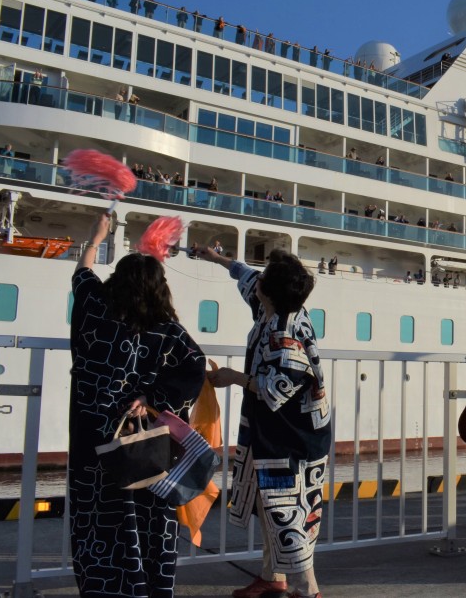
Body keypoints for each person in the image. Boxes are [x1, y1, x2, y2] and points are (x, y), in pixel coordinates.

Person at [68, 213, 206, 597]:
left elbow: (82, 277)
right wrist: (152, 398)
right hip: (145, 441)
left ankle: (103, 588)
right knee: (149, 516)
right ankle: (150, 586)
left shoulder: (95, 310)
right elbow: (194, 366)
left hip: (93, 440)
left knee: (95, 518)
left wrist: (96, 238)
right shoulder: (167, 329)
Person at [196, 247, 329, 598]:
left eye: (265, 277)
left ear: (269, 292)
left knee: (287, 508)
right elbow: (246, 275)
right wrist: (215, 258)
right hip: (275, 431)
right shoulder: (274, 306)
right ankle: (273, 576)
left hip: (293, 437)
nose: (258, 280)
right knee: (269, 504)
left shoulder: (285, 336)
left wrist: (234, 377)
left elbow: (276, 389)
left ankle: (308, 588)